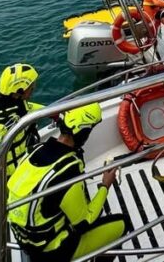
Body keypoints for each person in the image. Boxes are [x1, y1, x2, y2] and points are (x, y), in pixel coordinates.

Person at [8, 103, 130, 261]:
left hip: (27, 242)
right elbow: (85, 221)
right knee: (123, 223)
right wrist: (105, 185)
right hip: (54, 252)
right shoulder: (68, 172)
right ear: (83, 134)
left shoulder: (34, 151)